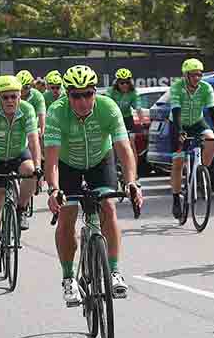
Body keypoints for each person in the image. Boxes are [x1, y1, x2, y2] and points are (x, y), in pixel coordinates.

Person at [45, 65, 144, 306]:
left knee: (108, 207)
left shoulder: (108, 108)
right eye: (76, 96)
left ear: (95, 92)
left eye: (88, 94)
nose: (82, 101)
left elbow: (123, 148)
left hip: (101, 160)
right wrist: (54, 189)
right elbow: (52, 159)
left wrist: (131, 181)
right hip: (68, 165)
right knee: (67, 215)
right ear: (67, 95)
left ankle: (114, 270)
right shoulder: (56, 112)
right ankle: (68, 278)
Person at [0, 75, 42, 271]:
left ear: (20, 97)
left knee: (30, 171)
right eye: (5, 98)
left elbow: (33, 141)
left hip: (18, 153)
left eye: (14, 97)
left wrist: (39, 166)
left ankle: (21, 209)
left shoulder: (28, 110)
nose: (10, 101)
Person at [168, 58, 214, 217]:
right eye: (193, 75)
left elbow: (213, 110)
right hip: (178, 123)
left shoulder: (206, 88)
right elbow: (176, 110)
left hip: (197, 122)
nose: (197, 78)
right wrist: (180, 130)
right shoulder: (176, 88)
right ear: (185, 76)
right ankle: (175, 198)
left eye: (199, 75)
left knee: (211, 139)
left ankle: (201, 172)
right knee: (178, 162)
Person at [108, 68, 144, 134]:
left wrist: (142, 122)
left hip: (127, 118)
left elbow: (138, 108)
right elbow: (107, 106)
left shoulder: (133, 93)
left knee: (132, 137)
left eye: (127, 82)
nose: (125, 85)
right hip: (114, 118)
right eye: (122, 83)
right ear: (117, 83)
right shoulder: (111, 91)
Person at [17, 70, 46, 137]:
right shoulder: (13, 95)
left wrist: (42, 132)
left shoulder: (37, 95)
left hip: (32, 124)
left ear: (31, 85)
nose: (22, 91)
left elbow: (41, 115)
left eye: (25, 87)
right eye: (20, 88)